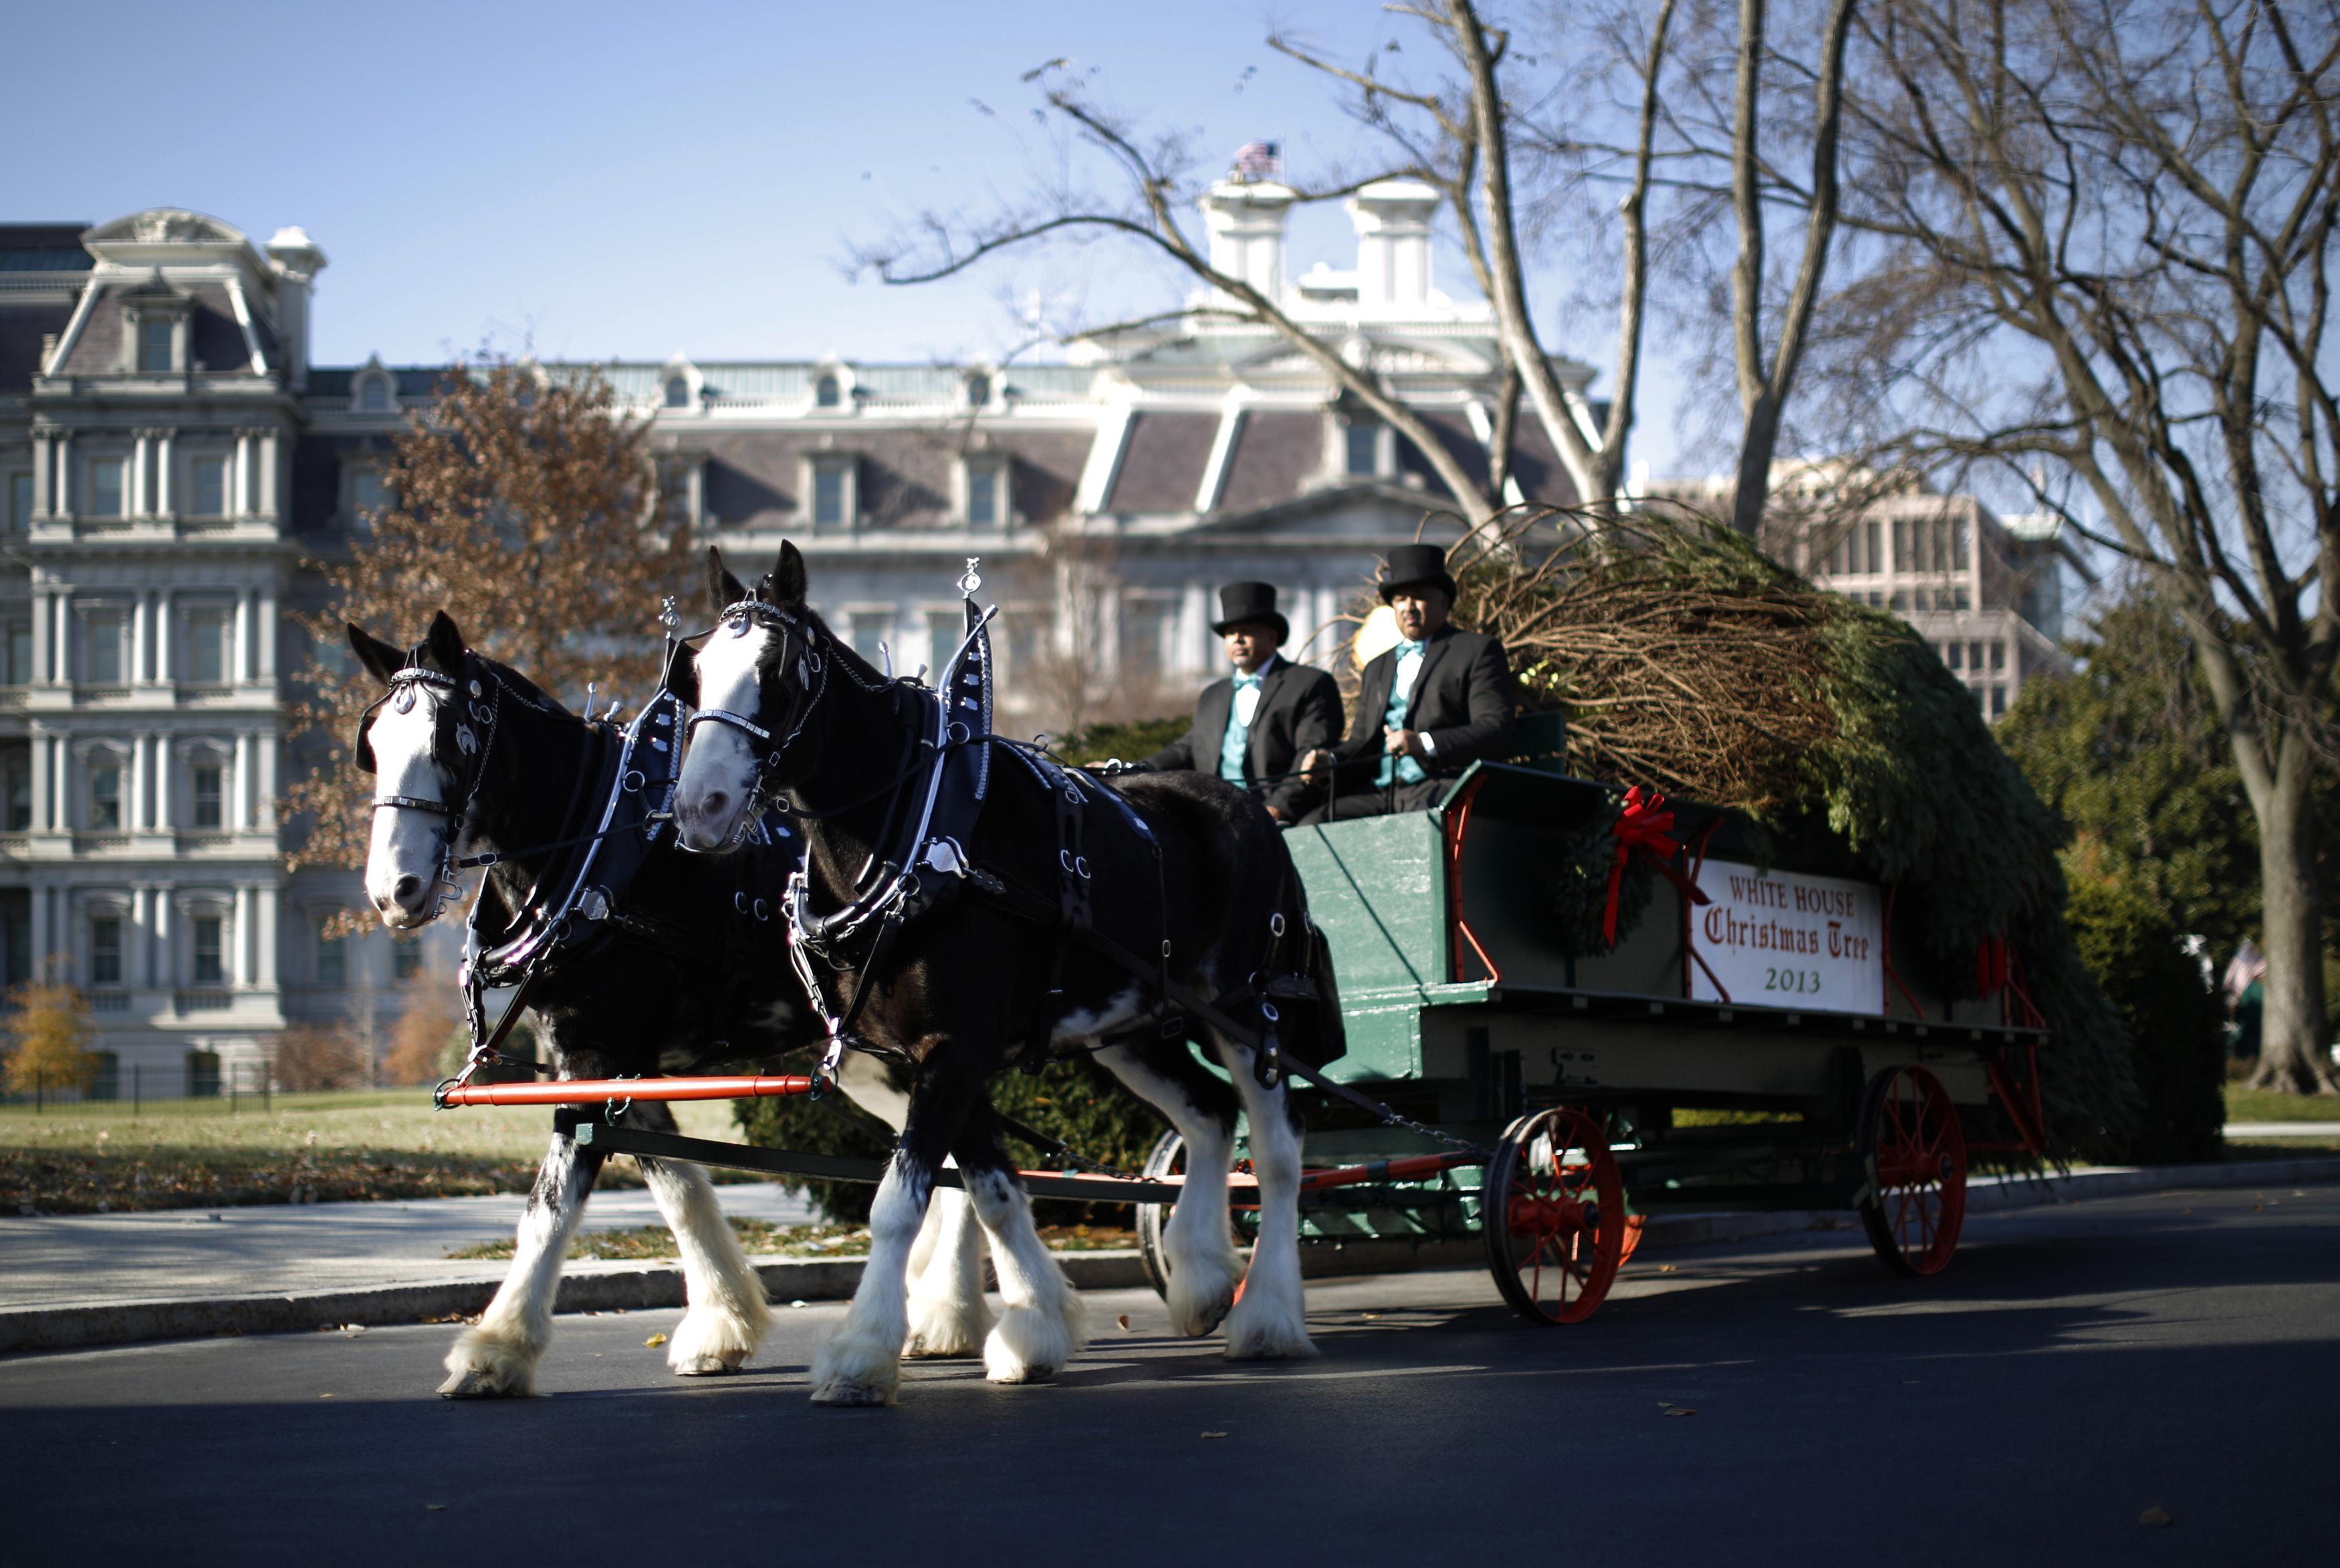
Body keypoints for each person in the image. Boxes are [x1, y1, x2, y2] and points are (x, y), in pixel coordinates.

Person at [1298, 543, 1516, 821]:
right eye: (1401, 599)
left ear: (1444, 603)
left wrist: (1424, 743)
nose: (1409, 607)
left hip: (1443, 786)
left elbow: (1497, 730)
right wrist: (1328, 761)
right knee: (1312, 826)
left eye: (1420, 597)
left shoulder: (1476, 651)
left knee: (1424, 826)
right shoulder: (1378, 667)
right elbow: (1361, 742)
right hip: (1381, 792)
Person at [1129, 581, 1343, 823]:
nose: (1238, 639)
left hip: (1285, 818)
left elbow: (1311, 754)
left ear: (1272, 637)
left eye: (1248, 630)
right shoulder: (1213, 695)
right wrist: (1130, 769)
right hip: (1218, 816)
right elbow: (1188, 749)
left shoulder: (1309, 684)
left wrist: (1278, 807)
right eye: (1230, 633)